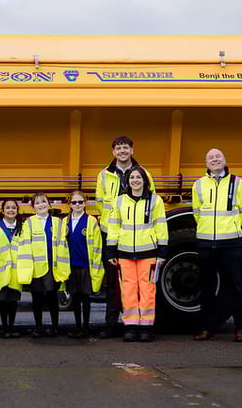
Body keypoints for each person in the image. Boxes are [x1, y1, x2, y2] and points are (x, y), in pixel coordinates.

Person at [95, 136, 156, 339]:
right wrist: (114, 222)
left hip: (139, 236)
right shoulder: (104, 175)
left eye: (125, 148)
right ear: (113, 152)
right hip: (112, 233)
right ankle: (111, 324)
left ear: (132, 150)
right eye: (118, 148)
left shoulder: (143, 173)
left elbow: (151, 201)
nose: (122, 151)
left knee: (140, 285)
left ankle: (139, 325)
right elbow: (100, 202)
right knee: (113, 283)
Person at [192, 148, 242, 342]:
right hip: (206, 242)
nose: (214, 160)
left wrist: (231, 227)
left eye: (218, 157)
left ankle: (240, 328)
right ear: (206, 163)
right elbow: (197, 212)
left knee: (235, 286)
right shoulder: (199, 185)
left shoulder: (237, 183)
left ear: (225, 160)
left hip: (231, 242)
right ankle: (207, 328)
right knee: (207, 286)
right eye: (210, 158)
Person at [106, 166, 168, 342]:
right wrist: (111, 250)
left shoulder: (156, 201)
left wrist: (162, 252)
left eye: (139, 177)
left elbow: (161, 227)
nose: (135, 180)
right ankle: (131, 327)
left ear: (145, 181)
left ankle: (146, 328)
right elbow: (113, 227)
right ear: (127, 181)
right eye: (132, 177)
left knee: (148, 290)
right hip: (124, 254)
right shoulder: (119, 201)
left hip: (148, 253)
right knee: (128, 291)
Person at [18, 192, 70, 338]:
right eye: (38, 203)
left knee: (53, 297)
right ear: (33, 207)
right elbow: (25, 245)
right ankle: (38, 327)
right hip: (36, 266)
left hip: (53, 266)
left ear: (49, 204)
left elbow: (62, 244)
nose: (41, 205)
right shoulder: (29, 222)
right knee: (37, 298)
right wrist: (28, 267)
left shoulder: (57, 222)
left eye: (44, 202)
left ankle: (54, 327)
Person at [60, 191, 104, 339]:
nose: (77, 205)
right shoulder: (65, 221)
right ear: (70, 205)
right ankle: (77, 326)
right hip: (71, 265)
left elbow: (97, 246)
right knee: (75, 297)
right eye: (74, 202)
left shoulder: (91, 221)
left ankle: (86, 327)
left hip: (85, 265)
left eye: (80, 202)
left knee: (85, 297)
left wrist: (96, 265)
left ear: (85, 203)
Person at [0, 199, 24, 338]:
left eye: (13, 208)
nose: (11, 210)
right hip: (1, 270)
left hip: (15, 270)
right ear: (2, 211)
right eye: (7, 208)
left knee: (13, 301)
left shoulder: (22, 227)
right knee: (2, 301)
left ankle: (12, 327)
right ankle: (4, 327)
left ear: (17, 210)